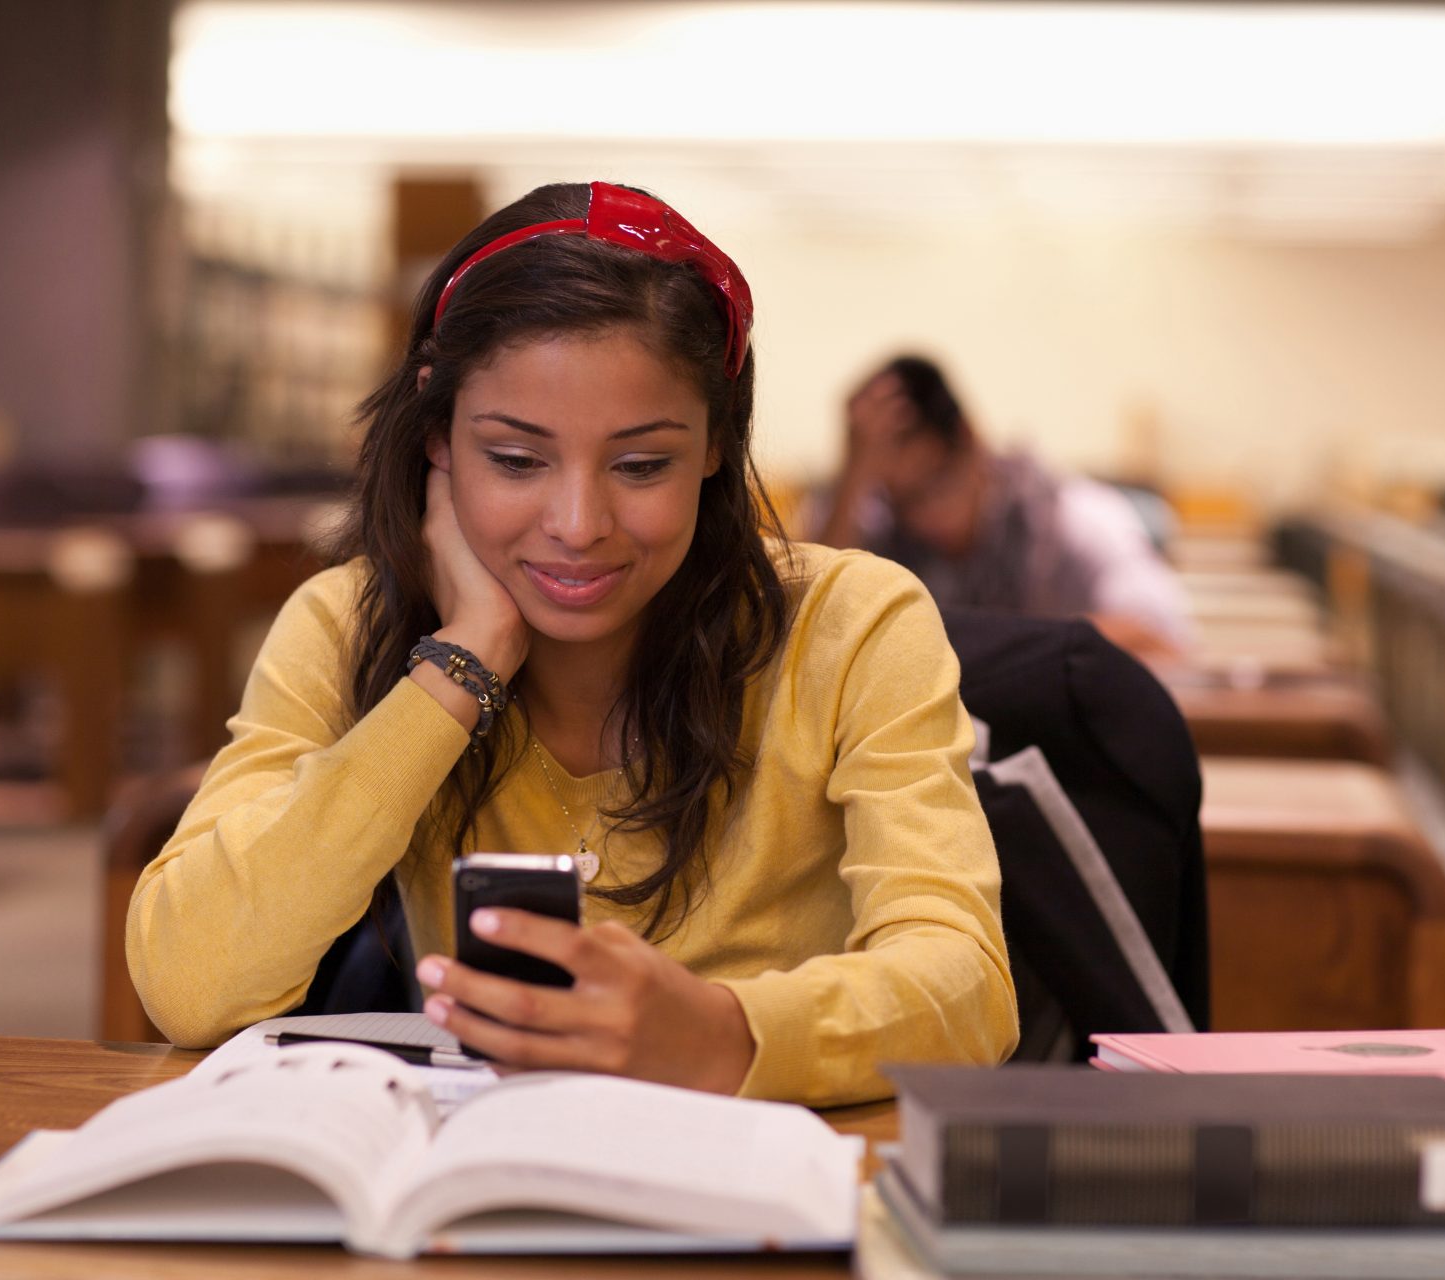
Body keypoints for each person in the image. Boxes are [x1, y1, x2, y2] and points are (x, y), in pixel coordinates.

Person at [126, 183, 1016, 1108]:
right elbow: (193, 982)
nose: (579, 524)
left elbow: (966, 988)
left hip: (774, 1196)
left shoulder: (854, 624)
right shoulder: (348, 621)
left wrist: (721, 1034)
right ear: (437, 434)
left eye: (642, 465)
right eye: (516, 459)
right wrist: (461, 663)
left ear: (715, 444)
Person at [818, 356, 1191, 656]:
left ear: (971, 440)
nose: (927, 520)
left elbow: (1162, 637)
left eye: (936, 487)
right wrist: (853, 477)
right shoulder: (877, 523)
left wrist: (1011, 646)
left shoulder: (1072, 516)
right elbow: (814, 621)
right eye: (905, 503)